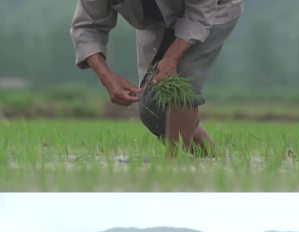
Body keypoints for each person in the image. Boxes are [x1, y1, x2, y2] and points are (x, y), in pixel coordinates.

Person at [71, 0, 243, 155]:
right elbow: (87, 27)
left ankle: (173, 165)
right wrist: (107, 78)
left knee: (179, 81)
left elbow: (199, 12)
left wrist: (171, 59)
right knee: (152, 110)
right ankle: (212, 158)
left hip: (213, 9)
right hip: (155, 22)